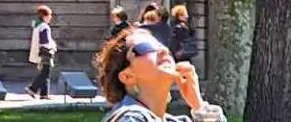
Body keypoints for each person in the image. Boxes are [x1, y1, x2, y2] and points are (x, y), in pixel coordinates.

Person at [95, 28, 225, 121]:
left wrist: (198, 105)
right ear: (127, 77)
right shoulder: (129, 119)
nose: (163, 50)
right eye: (146, 47)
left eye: (161, 45)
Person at [26, 5, 57, 100]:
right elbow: (45, 41)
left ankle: (44, 94)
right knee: (45, 73)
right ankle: (32, 88)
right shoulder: (44, 27)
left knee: (45, 72)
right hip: (46, 52)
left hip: (40, 52)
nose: (50, 17)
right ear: (44, 16)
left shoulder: (37, 25)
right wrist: (53, 45)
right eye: (49, 15)